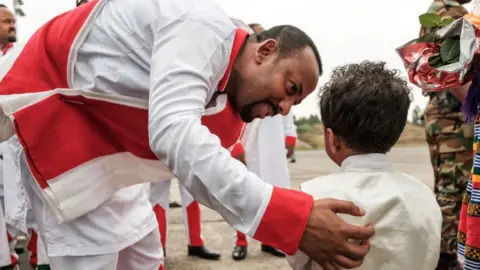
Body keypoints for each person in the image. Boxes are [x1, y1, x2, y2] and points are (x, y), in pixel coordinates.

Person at [0, 0, 374, 269]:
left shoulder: (228, 100)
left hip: (105, 142)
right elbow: (172, 131)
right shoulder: (204, 25)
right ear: (266, 51)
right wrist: (293, 219)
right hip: (55, 109)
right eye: (291, 88)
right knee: (93, 252)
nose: (286, 109)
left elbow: (200, 175)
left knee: (142, 251)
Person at [287, 61, 442, 270]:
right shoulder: (423, 195)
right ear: (395, 134)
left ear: (331, 138)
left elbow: (297, 261)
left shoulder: (312, 198)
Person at [232, 23, 299, 261]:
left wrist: (290, 134)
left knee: (276, 193)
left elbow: (287, 107)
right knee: (242, 194)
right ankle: (241, 242)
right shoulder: (241, 75)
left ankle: (271, 242)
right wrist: (234, 144)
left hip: (272, 146)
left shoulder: (281, 73)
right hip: (246, 146)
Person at [420, 1, 474, 269]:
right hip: (453, 116)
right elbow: (450, 62)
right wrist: (473, 105)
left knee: (451, 188)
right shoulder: (448, 9)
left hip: (449, 115)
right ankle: (445, 259)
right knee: (455, 189)